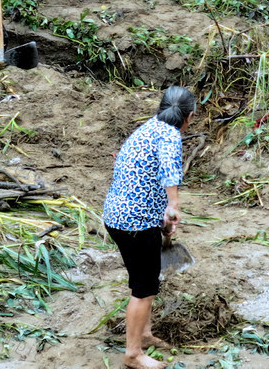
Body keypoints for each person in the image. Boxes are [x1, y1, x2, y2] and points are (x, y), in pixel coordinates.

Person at [102, 86, 195, 369]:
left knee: (147, 279)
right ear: (189, 117)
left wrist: (163, 223)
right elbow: (169, 172)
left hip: (118, 216)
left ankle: (144, 333)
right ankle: (133, 354)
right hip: (135, 223)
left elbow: (146, 179)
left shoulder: (149, 128)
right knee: (143, 288)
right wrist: (174, 206)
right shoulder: (169, 137)